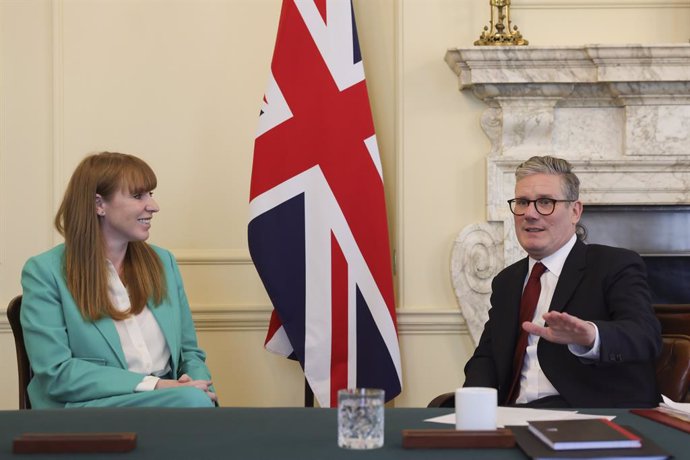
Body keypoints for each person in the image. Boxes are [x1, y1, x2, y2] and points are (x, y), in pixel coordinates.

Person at [20, 152, 217, 408]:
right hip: (85, 408)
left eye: (151, 194)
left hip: (172, 400)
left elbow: (189, 354)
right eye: (138, 196)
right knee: (191, 403)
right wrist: (156, 385)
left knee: (197, 403)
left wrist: (201, 386)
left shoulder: (164, 262)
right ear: (98, 204)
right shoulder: (44, 272)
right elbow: (56, 373)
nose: (153, 206)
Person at [463, 155, 661, 408]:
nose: (530, 214)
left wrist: (591, 335)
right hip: (510, 414)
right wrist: (471, 410)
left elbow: (645, 337)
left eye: (545, 202)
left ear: (575, 211)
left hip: (584, 415)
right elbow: (488, 357)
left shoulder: (613, 265)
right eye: (523, 202)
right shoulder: (507, 281)